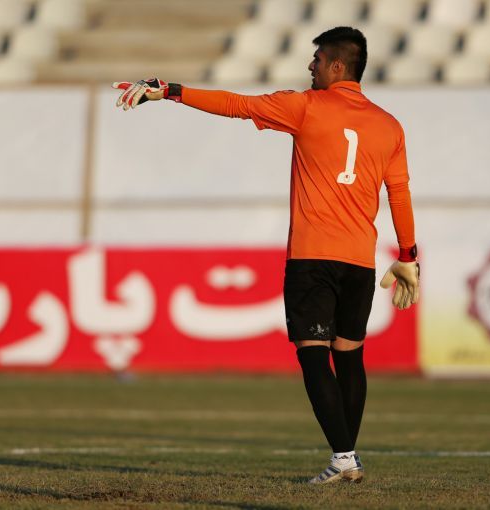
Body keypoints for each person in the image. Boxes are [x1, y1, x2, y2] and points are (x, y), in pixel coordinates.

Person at [112, 26, 419, 485]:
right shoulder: (389, 125)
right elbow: (400, 193)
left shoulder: (306, 106)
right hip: (360, 260)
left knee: (313, 357)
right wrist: (409, 255)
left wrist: (172, 91)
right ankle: (346, 456)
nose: (310, 66)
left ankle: (344, 457)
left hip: (312, 258)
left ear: (337, 65)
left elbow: (237, 105)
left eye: (317, 59)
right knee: (350, 358)